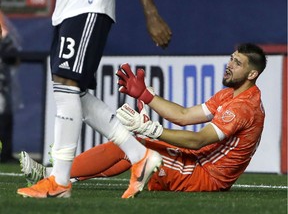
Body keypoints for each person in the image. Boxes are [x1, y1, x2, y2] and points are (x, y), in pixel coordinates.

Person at [20, 43, 267, 192]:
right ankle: (60, 174)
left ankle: (52, 176)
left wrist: (152, 130)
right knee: (133, 144)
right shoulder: (229, 95)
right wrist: (147, 95)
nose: (230, 64)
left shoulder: (244, 107)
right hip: (197, 163)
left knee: (135, 144)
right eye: (231, 58)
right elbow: (183, 116)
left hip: (204, 176)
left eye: (238, 63)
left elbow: (198, 140)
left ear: (252, 73)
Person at [17, 0, 172, 199]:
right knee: (74, 93)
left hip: (87, 5)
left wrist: (151, 12)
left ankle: (60, 180)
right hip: (67, 9)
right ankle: (139, 155)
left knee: (66, 85)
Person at [0, 10, 22, 163]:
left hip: (2, 82)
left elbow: (13, 56)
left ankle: (5, 153)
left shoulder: (5, 34)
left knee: (6, 115)